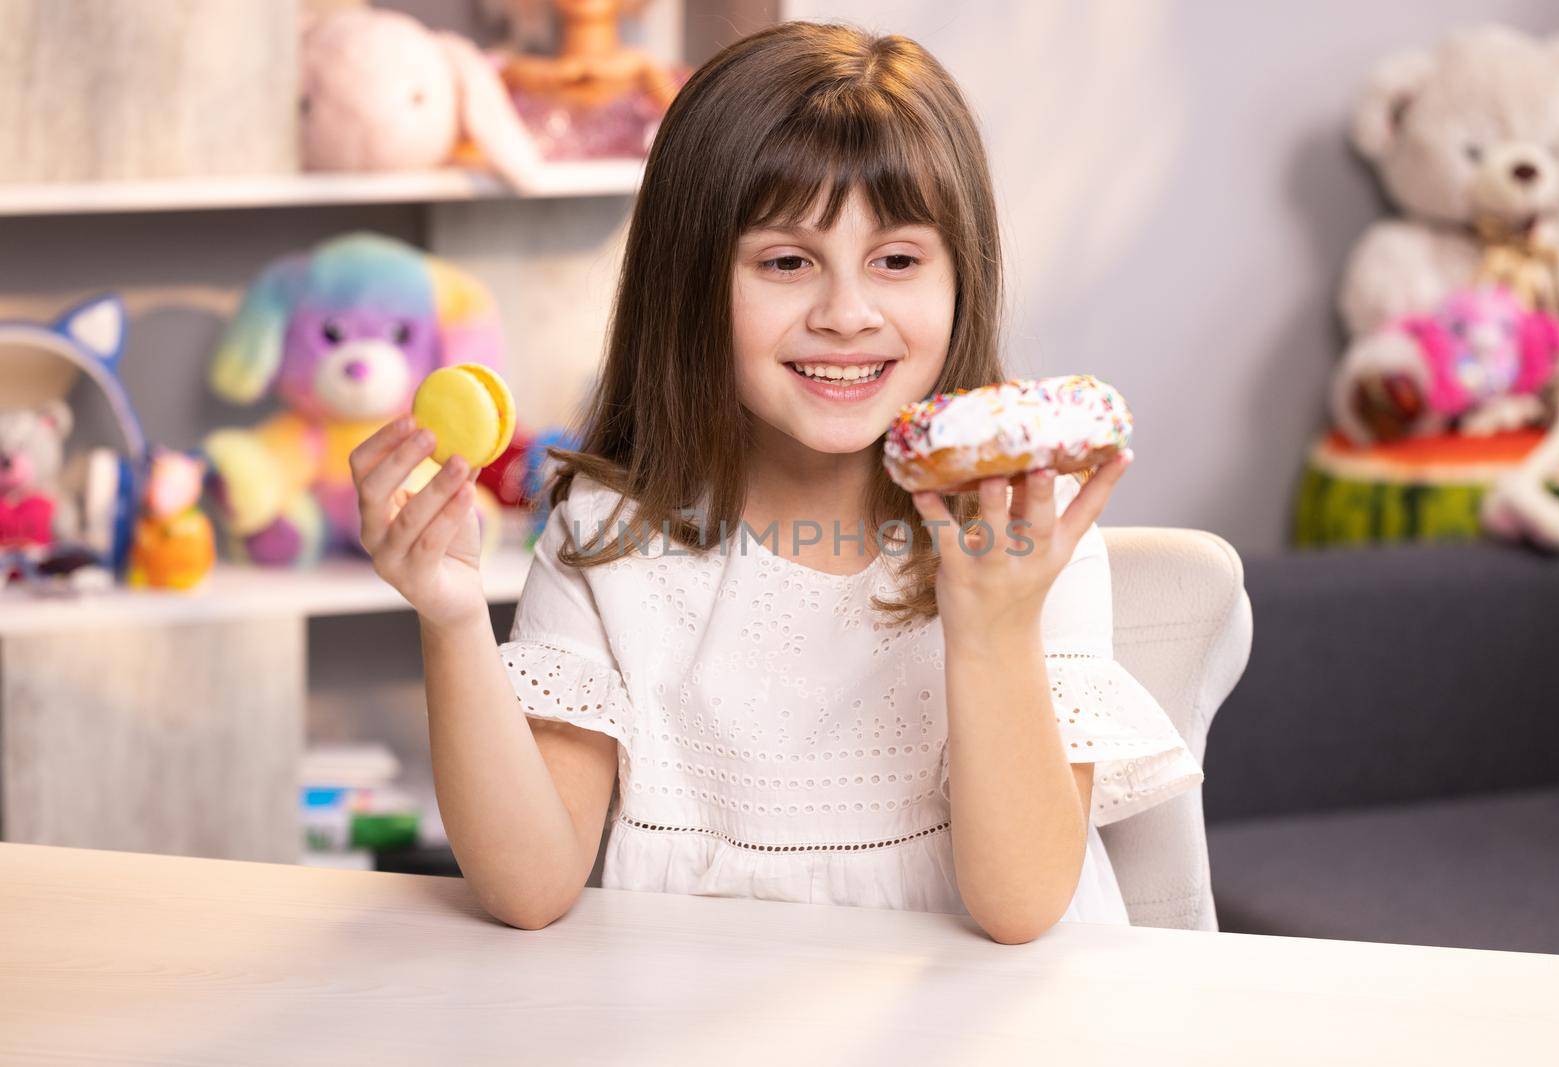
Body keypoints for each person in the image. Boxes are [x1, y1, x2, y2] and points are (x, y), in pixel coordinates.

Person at [351, 19, 1201, 944]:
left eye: (899, 260)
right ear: (689, 284)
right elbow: (529, 884)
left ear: (963, 279)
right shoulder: (609, 535)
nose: (846, 313)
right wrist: (450, 615)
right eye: (787, 262)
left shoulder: (1021, 528)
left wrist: (992, 626)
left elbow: (1023, 906)